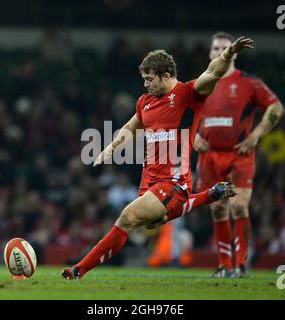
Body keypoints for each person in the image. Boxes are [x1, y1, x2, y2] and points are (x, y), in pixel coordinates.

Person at [61, 36, 254, 280]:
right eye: (144, 79)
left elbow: (212, 74)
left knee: (127, 218)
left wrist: (227, 55)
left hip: (173, 183)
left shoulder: (188, 94)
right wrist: (110, 148)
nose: (145, 84)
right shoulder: (145, 102)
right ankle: (210, 195)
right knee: (153, 222)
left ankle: (78, 270)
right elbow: (130, 127)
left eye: (149, 79)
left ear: (165, 75)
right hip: (148, 182)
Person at [159, 32, 284, 278]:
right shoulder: (202, 84)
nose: (219, 52)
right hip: (209, 156)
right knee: (217, 210)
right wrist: (192, 137)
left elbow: (275, 108)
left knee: (238, 206)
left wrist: (256, 136)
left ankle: (242, 263)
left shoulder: (249, 83)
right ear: (210, 53)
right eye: (215, 48)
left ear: (234, 52)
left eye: (224, 48)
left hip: (239, 155)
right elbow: (175, 113)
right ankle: (225, 266)